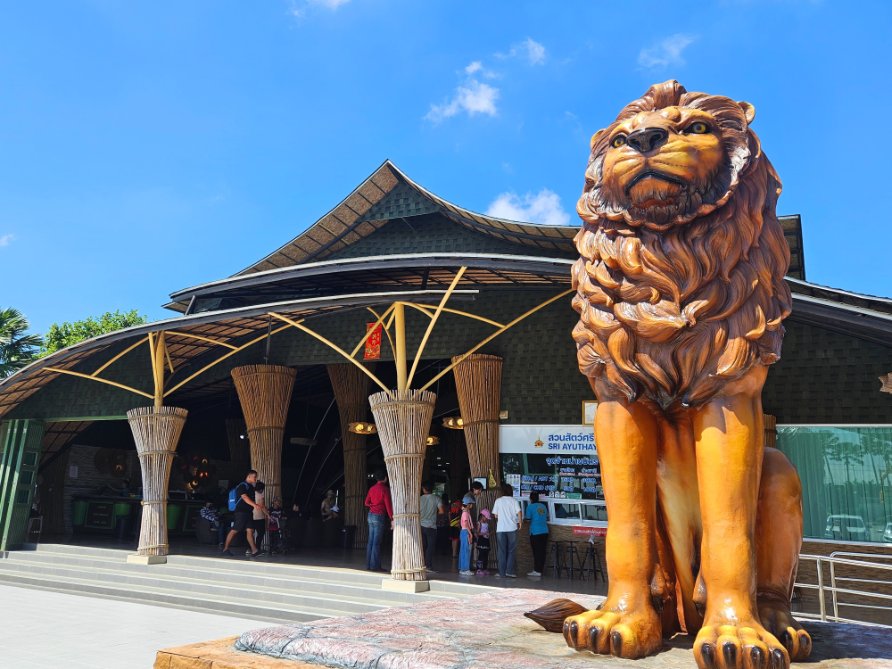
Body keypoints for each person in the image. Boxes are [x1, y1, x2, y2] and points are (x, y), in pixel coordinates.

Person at [222, 470, 267, 558]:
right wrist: (254, 505)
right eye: (254, 477)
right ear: (249, 476)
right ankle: (225, 549)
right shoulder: (242, 486)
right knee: (235, 530)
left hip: (248, 512)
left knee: (250, 531)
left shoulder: (250, 487)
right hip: (241, 512)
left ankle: (254, 551)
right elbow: (244, 497)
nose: (255, 479)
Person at [364, 469, 393, 572]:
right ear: (385, 478)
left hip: (370, 515)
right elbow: (388, 505)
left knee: (370, 542)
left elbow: (366, 503)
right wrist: (391, 518)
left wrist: (373, 505)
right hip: (379, 516)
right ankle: (375, 566)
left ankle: (369, 565)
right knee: (376, 543)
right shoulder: (385, 489)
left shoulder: (372, 488)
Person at [491, 482, 521, 578]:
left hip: (501, 529)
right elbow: (519, 512)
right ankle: (509, 571)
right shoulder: (514, 501)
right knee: (511, 550)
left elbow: (495, 515)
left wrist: (501, 519)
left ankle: (501, 572)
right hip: (512, 528)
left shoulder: (498, 501)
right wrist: (520, 523)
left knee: (502, 551)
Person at [420, 480, 443, 573]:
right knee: (430, 546)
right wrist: (434, 515)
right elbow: (441, 511)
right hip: (431, 526)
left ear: (423, 489)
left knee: (422, 546)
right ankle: (428, 565)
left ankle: (421, 564)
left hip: (420, 525)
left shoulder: (419, 499)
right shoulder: (437, 498)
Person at [525, 491, 549, 576]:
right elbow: (546, 517)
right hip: (545, 531)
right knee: (542, 551)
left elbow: (528, 520)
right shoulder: (543, 506)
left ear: (530, 498)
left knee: (536, 552)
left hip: (535, 532)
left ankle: (537, 570)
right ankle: (540, 570)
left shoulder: (530, 507)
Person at [248, 481, 267, 554]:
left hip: (251, 516)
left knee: (250, 533)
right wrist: (268, 514)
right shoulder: (260, 495)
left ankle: (250, 548)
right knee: (261, 533)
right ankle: (257, 548)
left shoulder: (251, 494)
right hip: (259, 517)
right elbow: (262, 506)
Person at [458, 498, 475, 575]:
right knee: (466, 550)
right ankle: (465, 569)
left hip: (464, 532)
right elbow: (465, 524)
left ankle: (463, 568)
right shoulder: (465, 513)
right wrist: (470, 534)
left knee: (464, 550)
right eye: (471, 504)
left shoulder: (465, 512)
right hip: (466, 532)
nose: (472, 505)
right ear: (468, 505)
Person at [475, 508, 492, 575]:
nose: (487, 519)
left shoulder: (486, 524)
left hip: (486, 540)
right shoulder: (479, 523)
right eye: (486, 517)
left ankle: (484, 569)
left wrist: (489, 533)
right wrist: (485, 533)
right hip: (481, 541)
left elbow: (488, 531)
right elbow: (477, 533)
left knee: (486, 555)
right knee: (481, 555)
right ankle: (479, 569)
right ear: (482, 516)